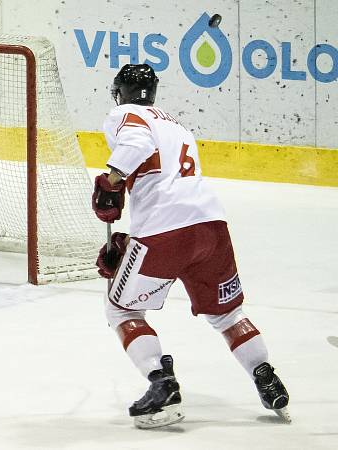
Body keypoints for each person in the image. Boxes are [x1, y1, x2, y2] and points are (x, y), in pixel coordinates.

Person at [91, 63, 289, 429]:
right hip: (212, 226)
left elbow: (137, 144)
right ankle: (264, 373)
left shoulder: (125, 114)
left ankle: (160, 383)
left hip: (165, 231)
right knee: (227, 314)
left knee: (120, 309)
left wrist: (112, 180)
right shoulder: (177, 125)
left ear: (120, 91)